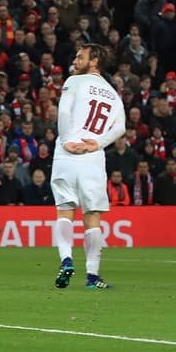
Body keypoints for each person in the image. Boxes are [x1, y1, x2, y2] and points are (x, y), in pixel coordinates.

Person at [52, 44, 125, 290]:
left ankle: (66, 260)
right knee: (92, 216)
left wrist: (66, 141)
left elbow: (63, 111)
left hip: (67, 154)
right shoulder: (113, 94)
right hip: (93, 159)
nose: (75, 60)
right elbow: (120, 128)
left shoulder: (75, 81)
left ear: (94, 61)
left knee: (65, 211)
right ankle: (93, 276)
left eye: (80, 56)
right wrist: (98, 143)